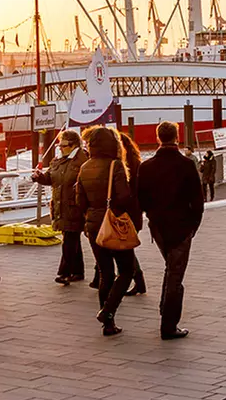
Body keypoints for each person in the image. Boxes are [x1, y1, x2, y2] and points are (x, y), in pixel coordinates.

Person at [137, 121, 205, 340]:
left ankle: (164, 309)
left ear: (158, 138)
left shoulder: (146, 167)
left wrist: (153, 216)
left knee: (170, 267)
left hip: (158, 227)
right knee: (175, 274)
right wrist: (193, 227)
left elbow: (142, 200)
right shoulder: (186, 165)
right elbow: (198, 200)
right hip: (181, 226)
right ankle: (169, 325)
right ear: (177, 137)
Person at [76, 127, 140, 336]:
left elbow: (80, 200)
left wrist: (91, 215)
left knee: (105, 273)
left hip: (93, 225)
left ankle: (108, 324)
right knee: (126, 270)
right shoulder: (116, 165)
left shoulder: (85, 167)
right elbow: (123, 197)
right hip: (112, 223)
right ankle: (108, 311)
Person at [32, 129, 88, 285]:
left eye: (64, 145)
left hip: (75, 206)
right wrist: (40, 178)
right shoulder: (58, 160)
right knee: (71, 238)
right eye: (60, 145)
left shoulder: (83, 160)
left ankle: (64, 272)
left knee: (70, 239)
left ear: (74, 145)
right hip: (60, 206)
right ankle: (78, 271)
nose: (61, 148)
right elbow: (51, 178)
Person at [118, 131, 148, 296]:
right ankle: (138, 281)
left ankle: (135, 280)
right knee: (126, 248)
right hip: (135, 213)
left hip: (124, 213)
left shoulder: (121, 166)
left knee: (124, 250)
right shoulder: (138, 164)